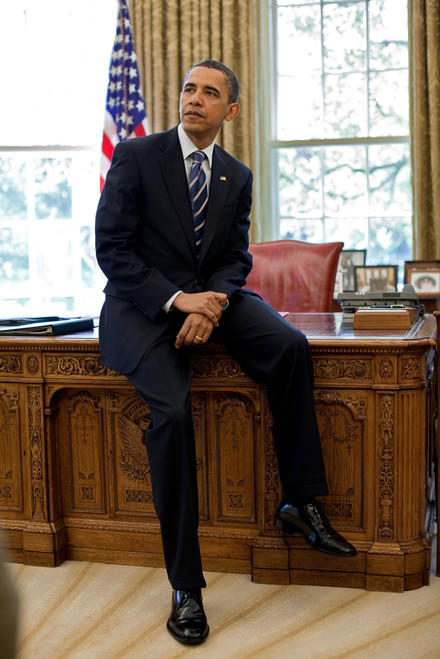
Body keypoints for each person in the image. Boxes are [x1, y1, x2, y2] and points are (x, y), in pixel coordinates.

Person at [95, 59, 356, 646]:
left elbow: (236, 257)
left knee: (290, 346)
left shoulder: (236, 175)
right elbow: (111, 249)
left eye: (209, 93)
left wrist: (210, 304)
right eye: (189, 88)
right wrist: (179, 301)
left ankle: (301, 502)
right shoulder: (137, 157)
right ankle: (186, 585)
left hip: (212, 296)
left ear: (229, 111)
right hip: (143, 306)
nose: (195, 98)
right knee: (175, 413)